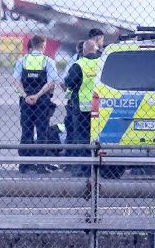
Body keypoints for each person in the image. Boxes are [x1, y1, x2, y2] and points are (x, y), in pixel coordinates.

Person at [14, 35, 59, 174]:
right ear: (43, 45)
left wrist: (26, 95)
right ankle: (41, 164)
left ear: (32, 45)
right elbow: (51, 82)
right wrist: (38, 95)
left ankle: (24, 164)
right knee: (42, 131)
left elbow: (16, 81)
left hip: (26, 101)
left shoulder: (22, 60)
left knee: (26, 131)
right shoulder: (48, 61)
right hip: (42, 101)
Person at [64, 39, 101, 176]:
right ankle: (99, 167)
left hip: (82, 108)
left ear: (84, 50)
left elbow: (69, 83)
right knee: (99, 138)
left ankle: (85, 169)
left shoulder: (79, 64)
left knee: (82, 137)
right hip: (100, 107)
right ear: (96, 49)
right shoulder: (102, 63)